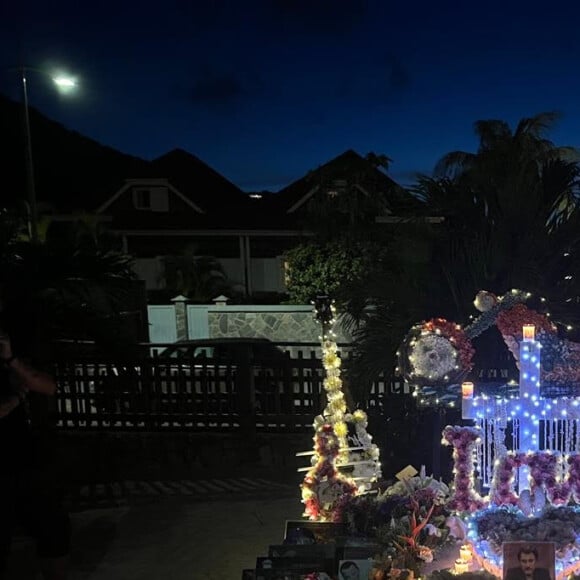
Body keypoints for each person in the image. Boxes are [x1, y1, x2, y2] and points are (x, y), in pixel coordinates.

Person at [0, 318, 70, 579]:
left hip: (28, 459)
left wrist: (11, 360)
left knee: (54, 529)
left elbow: (48, 387)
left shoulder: (13, 355)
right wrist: (19, 396)